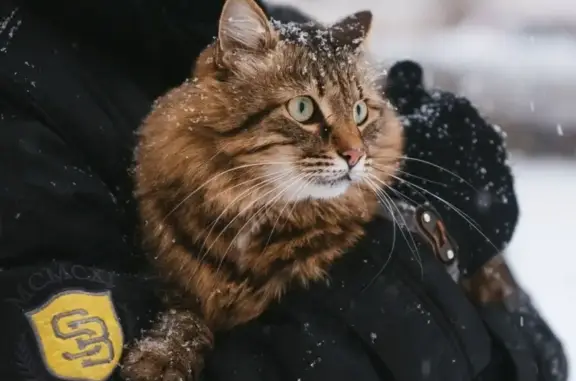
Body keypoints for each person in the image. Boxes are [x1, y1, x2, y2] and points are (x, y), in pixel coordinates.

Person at [0, 1, 567, 381]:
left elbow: (541, 356)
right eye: (304, 111)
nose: (351, 150)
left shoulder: (288, 27)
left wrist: (445, 220)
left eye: (361, 116)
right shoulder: (23, 83)